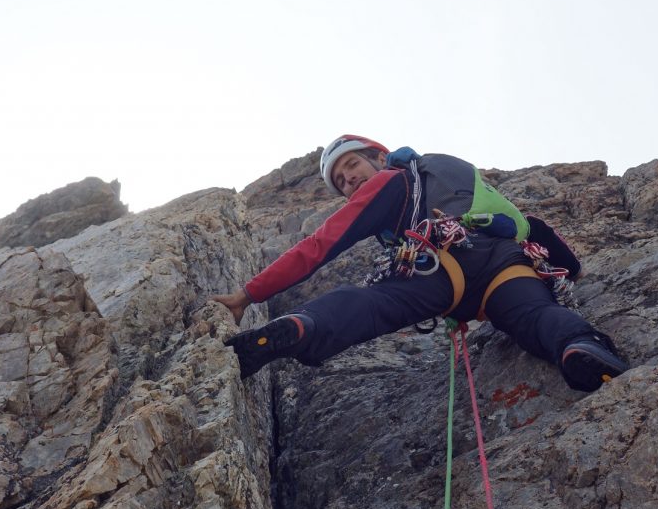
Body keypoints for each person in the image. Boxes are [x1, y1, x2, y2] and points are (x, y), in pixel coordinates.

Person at [212, 136, 628, 392]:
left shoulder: (389, 181)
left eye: (352, 165)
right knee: (537, 315)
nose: (349, 180)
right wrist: (571, 269)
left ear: (378, 156)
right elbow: (532, 227)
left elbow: (321, 244)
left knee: (372, 305)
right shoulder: (444, 175)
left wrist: (249, 294)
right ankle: (580, 346)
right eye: (339, 180)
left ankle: (302, 328)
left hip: (441, 264)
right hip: (506, 262)